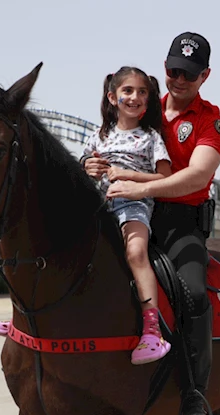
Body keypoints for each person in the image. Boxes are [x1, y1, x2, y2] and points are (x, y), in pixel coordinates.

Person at [83, 32, 220, 415]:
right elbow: (108, 143)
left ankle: (195, 394)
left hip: (181, 221)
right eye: (173, 71)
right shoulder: (145, 106)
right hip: (125, 209)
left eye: (189, 74)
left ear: (205, 76)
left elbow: (196, 177)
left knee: (193, 291)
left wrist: (139, 188)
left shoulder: (210, 122)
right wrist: (91, 166)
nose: (179, 80)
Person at [82, 66, 173, 365]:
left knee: (136, 252)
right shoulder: (98, 136)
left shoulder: (150, 138)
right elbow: (84, 167)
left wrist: (128, 175)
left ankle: (152, 331)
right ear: (112, 97)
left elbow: (165, 178)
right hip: (98, 205)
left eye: (142, 92)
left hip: (134, 204)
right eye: (128, 91)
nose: (135, 97)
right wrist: (88, 167)